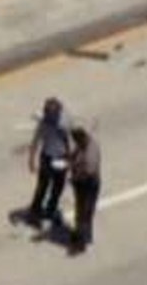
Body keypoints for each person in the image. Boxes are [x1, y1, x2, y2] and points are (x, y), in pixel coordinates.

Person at [25, 97, 72, 227]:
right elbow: (35, 142)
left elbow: (70, 140)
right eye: (49, 114)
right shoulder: (43, 124)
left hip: (61, 157)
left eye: (53, 114)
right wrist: (31, 160)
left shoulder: (64, 123)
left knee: (58, 187)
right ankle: (35, 211)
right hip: (47, 157)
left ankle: (51, 209)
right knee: (42, 187)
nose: (51, 117)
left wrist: (70, 159)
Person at [67, 124, 102, 254]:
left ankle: (81, 242)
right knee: (79, 209)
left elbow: (89, 171)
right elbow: (76, 153)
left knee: (85, 213)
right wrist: (70, 158)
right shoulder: (82, 144)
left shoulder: (91, 152)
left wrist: (75, 176)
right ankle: (81, 234)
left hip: (89, 185)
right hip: (80, 183)